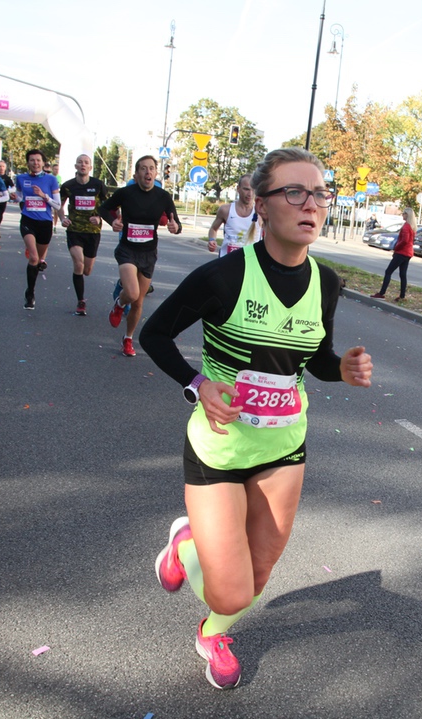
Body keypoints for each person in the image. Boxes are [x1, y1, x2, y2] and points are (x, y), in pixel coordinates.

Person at [139, 147, 373, 690]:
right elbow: (155, 334)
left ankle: (212, 634)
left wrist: (342, 369)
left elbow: (314, 360)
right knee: (232, 591)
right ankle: (185, 545)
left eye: (319, 193)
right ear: (262, 206)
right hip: (220, 448)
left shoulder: (327, 282)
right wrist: (198, 384)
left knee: (259, 573)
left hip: (284, 446)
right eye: (294, 192)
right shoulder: (222, 277)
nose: (311, 204)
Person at [98, 155, 181, 356]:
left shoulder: (163, 196)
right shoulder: (125, 193)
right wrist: (112, 222)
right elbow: (104, 208)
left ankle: (128, 338)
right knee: (132, 293)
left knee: (138, 302)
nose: (148, 172)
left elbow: (176, 222)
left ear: (156, 173)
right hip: (127, 250)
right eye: (143, 168)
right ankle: (119, 304)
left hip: (148, 254)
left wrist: (175, 227)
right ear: (136, 174)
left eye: (151, 168)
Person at [11, 149, 61, 310]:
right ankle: (30, 293)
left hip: (45, 223)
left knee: (38, 259)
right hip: (28, 220)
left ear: (43, 162)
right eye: (32, 160)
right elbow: (20, 197)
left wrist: (43, 196)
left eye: (38, 160)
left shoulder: (51, 179)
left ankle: (35, 261)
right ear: (28, 163)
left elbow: (58, 205)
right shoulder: (21, 178)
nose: (35, 163)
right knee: (33, 258)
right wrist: (15, 198)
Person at [59, 154, 109, 316]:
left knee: (87, 270)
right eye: (80, 162)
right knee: (78, 264)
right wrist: (62, 218)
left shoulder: (98, 185)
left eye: (86, 162)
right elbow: (59, 205)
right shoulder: (68, 186)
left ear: (90, 167)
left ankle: (81, 294)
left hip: (92, 232)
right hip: (74, 230)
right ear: (76, 166)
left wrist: (99, 217)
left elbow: (108, 206)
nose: (83, 165)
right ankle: (81, 301)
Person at [370, 207, 417, 301]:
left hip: (401, 252)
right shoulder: (412, 227)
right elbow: (410, 241)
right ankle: (402, 296)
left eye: (403, 213)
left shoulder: (406, 226)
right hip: (408, 253)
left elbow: (404, 240)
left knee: (388, 272)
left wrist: (396, 248)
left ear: (407, 215)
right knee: (403, 274)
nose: (402, 215)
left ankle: (381, 293)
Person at [206, 174, 259, 257]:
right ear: (238, 189)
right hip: (228, 259)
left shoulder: (261, 212)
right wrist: (212, 240)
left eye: (253, 190)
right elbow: (213, 229)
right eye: (246, 189)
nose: (250, 194)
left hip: (250, 259)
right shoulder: (225, 210)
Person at [0, 159, 14, 240]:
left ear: (5, 168)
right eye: (0, 166)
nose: (1, 168)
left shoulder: (7, 178)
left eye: (3, 166)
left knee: (0, 213)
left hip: (3, 199)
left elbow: (13, 187)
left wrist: (8, 192)